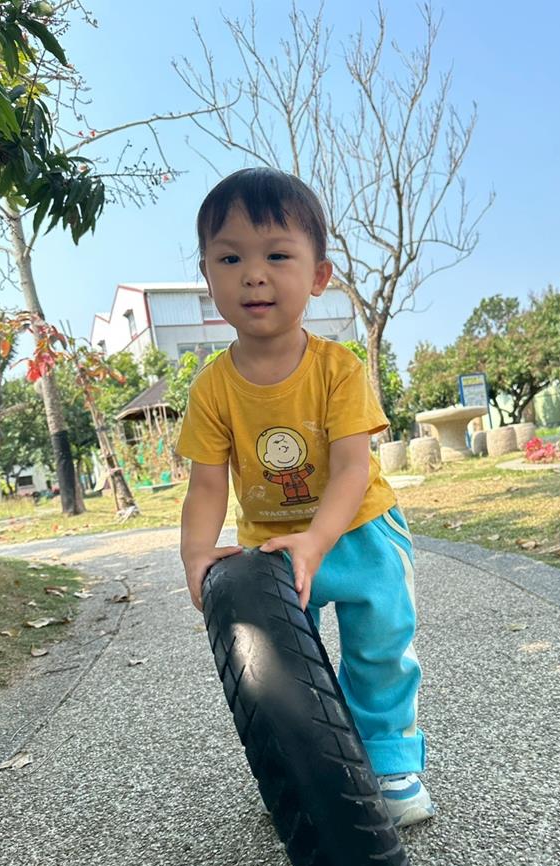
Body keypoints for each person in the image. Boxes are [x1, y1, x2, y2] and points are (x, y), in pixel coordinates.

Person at [176, 166, 433, 827]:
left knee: (379, 648)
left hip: (360, 531)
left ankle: (388, 757)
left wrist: (318, 540)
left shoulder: (338, 369)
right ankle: (311, 769)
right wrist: (196, 554)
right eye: (230, 258)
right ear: (207, 277)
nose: (252, 276)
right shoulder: (212, 389)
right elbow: (207, 483)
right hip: (271, 550)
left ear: (318, 276)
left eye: (276, 256)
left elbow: (351, 469)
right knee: (281, 668)